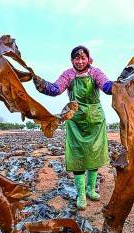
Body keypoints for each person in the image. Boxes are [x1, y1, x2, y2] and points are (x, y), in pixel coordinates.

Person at [32, 45, 113, 210]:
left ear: (88, 59)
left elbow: (106, 86)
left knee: (94, 154)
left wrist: (117, 86)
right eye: (77, 58)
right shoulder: (68, 74)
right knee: (77, 156)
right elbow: (55, 89)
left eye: (83, 58)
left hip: (95, 121)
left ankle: (91, 189)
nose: (80, 61)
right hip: (75, 121)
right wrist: (39, 82)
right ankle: (81, 194)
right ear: (72, 60)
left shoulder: (96, 72)